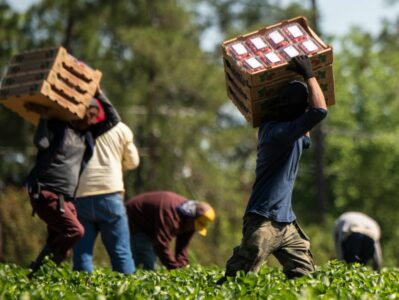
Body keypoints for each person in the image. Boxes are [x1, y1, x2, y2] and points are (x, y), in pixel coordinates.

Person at [217, 55, 328, 284]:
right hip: (263, 221)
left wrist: (299, 80)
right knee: (239, 279)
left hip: (286, 222)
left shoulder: (291, 132)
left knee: (305, 277)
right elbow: (319, 112)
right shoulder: (276, 133)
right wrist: (309, 74)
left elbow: (308, 126)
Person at [25, 88, 119, 278]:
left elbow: (113, 119)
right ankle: (38, 273)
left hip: (66, 200)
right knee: (75, 231)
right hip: (46, 193)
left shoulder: (88, 137)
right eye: (89, 114)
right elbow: (41, 144)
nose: (92, 119)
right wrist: (43, 119)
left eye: (95, 116)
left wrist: (99, 94)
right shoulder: (59, 128)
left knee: (60, 244)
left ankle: (36, 279)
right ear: (78, 112)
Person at [72, 109, 140, 274]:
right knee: (121, 252)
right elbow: (133, 162)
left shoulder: (76, 127)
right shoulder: (120, 128)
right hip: (110, 195)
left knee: (82, 254)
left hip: (81, 195)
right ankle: (128, 294)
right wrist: (118, 165)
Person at [125, 191, 215, 270]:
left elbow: (183, 246)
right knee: (146, 263)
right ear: (192, 216)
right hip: (134, 220)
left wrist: (182, 267)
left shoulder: (190, 220)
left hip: (150, 227)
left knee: (151, 261)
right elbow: (161, 244)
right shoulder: (170, 213)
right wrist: (173, 267)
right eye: (195, 224)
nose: (194, 228)